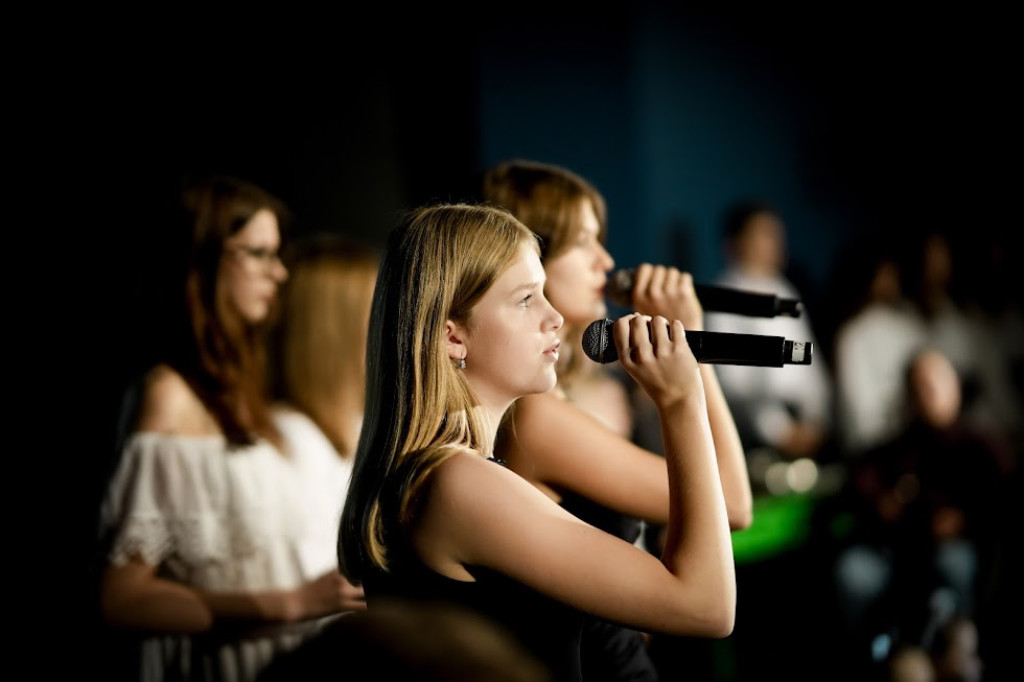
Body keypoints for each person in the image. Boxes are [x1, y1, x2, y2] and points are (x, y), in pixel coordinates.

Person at [338, 202, 738, 682]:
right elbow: (705, 608)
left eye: (545, 293)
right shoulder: (457, 482)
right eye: (526, 299)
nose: (554, 318)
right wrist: (679, 402)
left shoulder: (457, 473)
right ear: (452, 336)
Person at [482, 159, 752, 681]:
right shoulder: (536, 420)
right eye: (583, 242)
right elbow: (734, 504)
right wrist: (690, 371)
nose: (605, 262)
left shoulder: (570, 399)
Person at [96, 175, 364, 682]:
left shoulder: (244, 393)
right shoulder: (169, 395)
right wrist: (288, 603)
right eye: (259, 254)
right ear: (204, 261)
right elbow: (120, 599)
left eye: (278, 254)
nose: (280, 273)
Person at [703, 199, 834, 467]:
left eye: (776, 233)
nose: (774, 242)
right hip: (757, 439)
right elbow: (733, 382)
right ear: (736, 242)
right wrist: (780, 431)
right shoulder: (722, 297)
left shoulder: (786, 290)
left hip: (804, 429)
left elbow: (810, 363)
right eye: (763, 233)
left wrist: (815, 421)